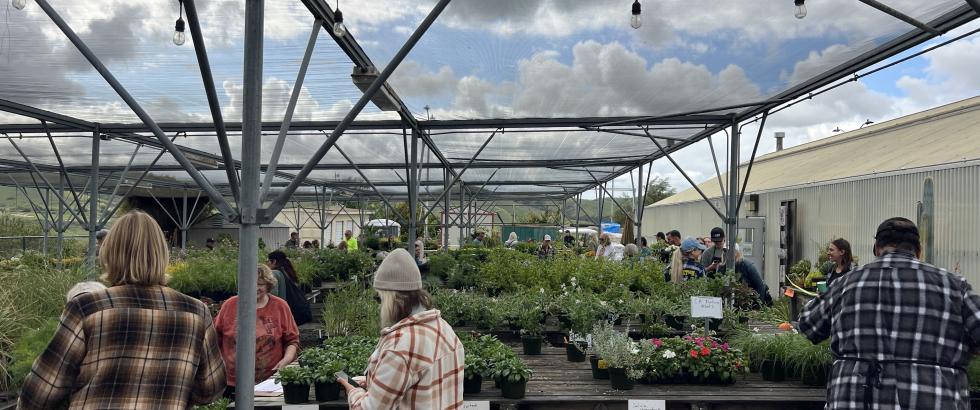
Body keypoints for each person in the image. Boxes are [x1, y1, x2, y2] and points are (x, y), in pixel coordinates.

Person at [18, 210, 225, 409]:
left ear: (110, 252)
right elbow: (210, 389)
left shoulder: (88, 308)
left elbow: (41, 392)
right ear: (162, 254)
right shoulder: (196, 312)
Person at [799, 217, 980, 410]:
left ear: (876, 248)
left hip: (854, 399)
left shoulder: (845, 283)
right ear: (918, 251)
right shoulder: (954, 286)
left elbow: (808, 325)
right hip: (935, 399)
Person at [337, 249, 464, 408]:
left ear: (391, 298)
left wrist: (353, 391)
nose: (380, 306)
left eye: (381, 299)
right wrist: (374, 383)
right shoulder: (445, 329)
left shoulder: (400, 347)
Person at [214, 265, 300, 398]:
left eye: (260, 284)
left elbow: (292, 341)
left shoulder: (280, 306)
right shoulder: (230, 305)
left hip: (269, 381)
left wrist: (286, 360)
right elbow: (214, 338)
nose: (254, 287)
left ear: (268, 285)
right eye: (250, 283)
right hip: (232, 381)